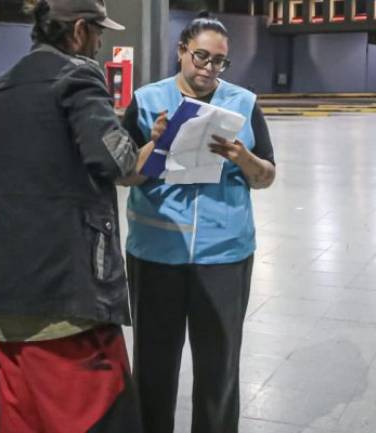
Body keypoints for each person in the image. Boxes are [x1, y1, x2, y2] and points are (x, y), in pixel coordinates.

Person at [0, 1, 157, 432]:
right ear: (80, 30)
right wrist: (151, 140)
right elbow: (116, 162)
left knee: (24, 421)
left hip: (2, 302)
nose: (102, 43)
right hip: (67, 302)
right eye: (99, 33)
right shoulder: (78, 76)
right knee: (101, 418)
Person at [121, 13, 276, 433]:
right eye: (201, 57)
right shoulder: (147, 100)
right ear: (181, 51)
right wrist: (156, 144)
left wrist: (242, 157)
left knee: (219, 367)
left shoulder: (243, 103)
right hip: (156, 254)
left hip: (224, 256)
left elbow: (266, 176)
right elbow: (121, 175)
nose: (208, 68)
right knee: (153, 365)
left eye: (218, 61)